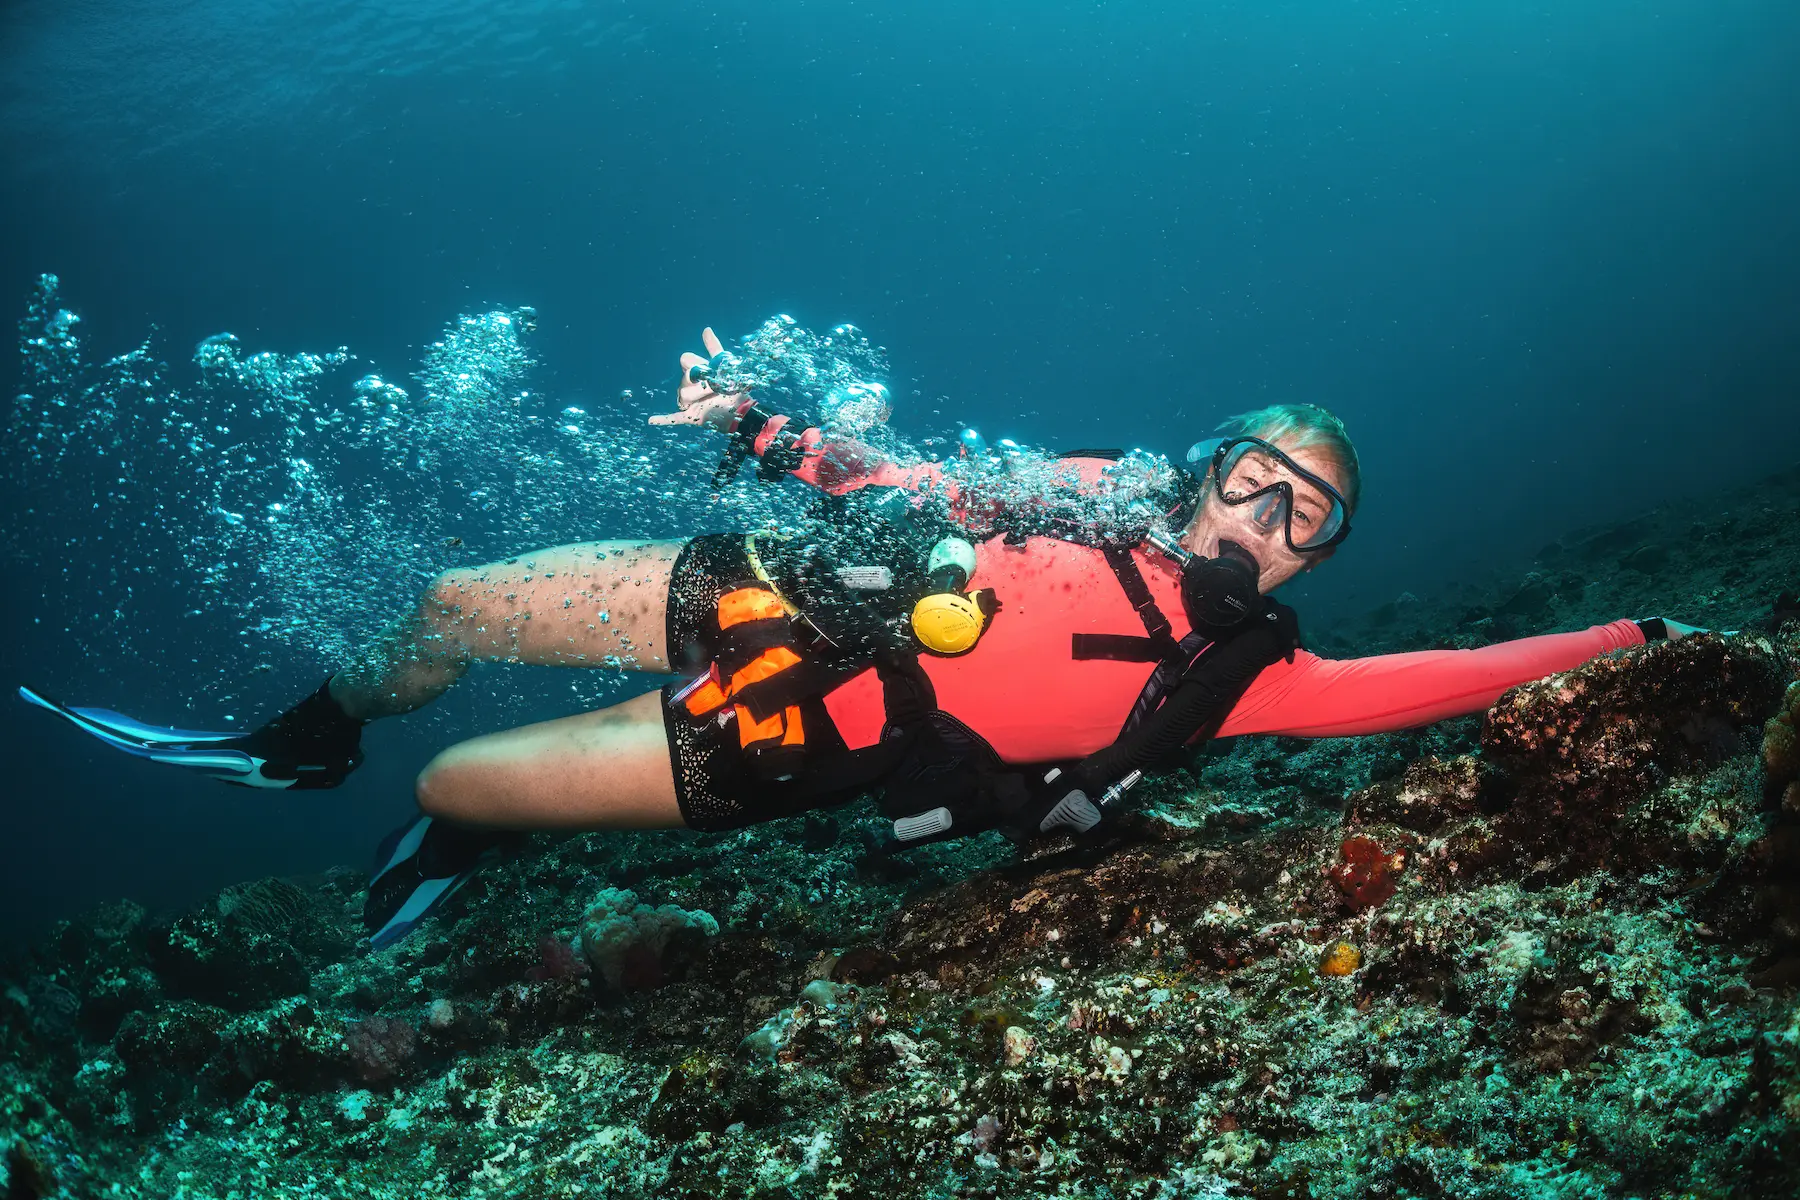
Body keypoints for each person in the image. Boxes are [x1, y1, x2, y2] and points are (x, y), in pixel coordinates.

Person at [19, 327, 1712, 948]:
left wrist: (1628, 628)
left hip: (783, 749)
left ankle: (444, 829)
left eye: (1311, 518)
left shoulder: (1253, 680)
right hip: (765, 590)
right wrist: (770, 432)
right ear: (1208, 470)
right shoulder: (1092, 492)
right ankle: (302, 728)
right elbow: (912, 478)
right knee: (457, 607)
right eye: (1259, 483)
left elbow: (1438, 681)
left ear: (1321, 549)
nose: (1270, 525)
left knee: (466, 775)